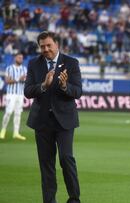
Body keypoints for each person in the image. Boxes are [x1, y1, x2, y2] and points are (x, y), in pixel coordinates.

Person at [24, 31, 82, 203]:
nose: (46, 49)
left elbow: (78, 92)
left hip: (64, 120)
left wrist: (65, 86)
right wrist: (43, 85)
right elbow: (27, 92)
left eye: (49, 45)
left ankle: (74, 198)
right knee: (46, 164)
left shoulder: (71, 63)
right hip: (42, 121)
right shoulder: (34, 63)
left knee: (66, 158)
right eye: (42, 46)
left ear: (57, 44)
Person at [0, 53, 27, 140]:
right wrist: (19, 79)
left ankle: (16, 132)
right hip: (11, 94)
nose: (21, 59)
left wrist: (24, 80)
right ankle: (3, 130)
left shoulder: (24, 69)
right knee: (8, 112)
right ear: (15, 58)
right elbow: (7, 81)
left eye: (22, 58)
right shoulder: (9, 68)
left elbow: (26, 80)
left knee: (18, 114)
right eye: (19, 57)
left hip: (20, 94)